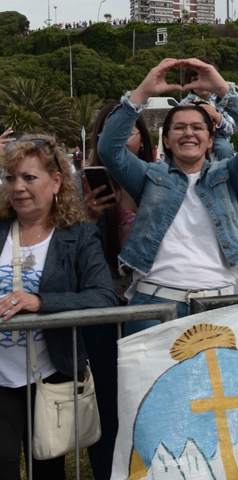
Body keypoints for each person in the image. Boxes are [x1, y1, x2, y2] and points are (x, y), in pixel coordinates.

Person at [97, 58, 238, 325]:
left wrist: (222, 89)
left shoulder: (228, 176)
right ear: (165, 139)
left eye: (197, 127)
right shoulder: (148, 176)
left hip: (220, 306)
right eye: (178, 127)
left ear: (211, 139)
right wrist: (142, 92)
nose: (188, 133)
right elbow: (109, 148)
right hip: (154, 305)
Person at [0, 135, 117, 479]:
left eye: (29, 178)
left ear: (56, 182)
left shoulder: (79, 236)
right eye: (11, 178)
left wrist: (41, 303)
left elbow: (102, 297)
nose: (18, 187)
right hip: (1, 379)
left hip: (50, 377)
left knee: (47, 468)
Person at [78, 101, 155, 480]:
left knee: (150, 397)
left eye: (130, 128)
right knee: (107, 403)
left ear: (144, 139)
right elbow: (69, 249)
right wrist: (88, 214)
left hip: (152, 305)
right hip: (103, 309)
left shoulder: (160, 181)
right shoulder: (81, 188)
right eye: (111, 129)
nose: (122, 136)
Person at [180, 56, 237, 161]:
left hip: (218, 138)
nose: (200, 83)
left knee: (225, 149)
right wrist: (184, 113)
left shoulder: (223, 100)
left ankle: (228, 175)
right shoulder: (184, 103)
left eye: (204, 78)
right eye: (195, 80)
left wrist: (216, 116)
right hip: (193, 138)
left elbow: (232, 128)